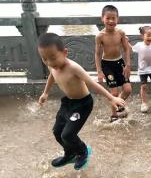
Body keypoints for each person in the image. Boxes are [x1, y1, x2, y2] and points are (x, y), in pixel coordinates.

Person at [38, 33, 126, 171]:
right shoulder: (52, 66)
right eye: (44, 59)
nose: (49, 62)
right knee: (57, 131)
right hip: (68, 103)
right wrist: (45, 92)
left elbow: (91, 83)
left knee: (67, 134)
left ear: (64, 53)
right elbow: (52, 76)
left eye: (53, 58)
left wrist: (111, 98)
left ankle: (83, 151)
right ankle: (70, 153)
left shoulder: (73, 67)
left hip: (82, 104)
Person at [95, 5, 133, 122]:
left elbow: (126, 49)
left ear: (117, 19)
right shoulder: (100, 36)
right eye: (108, 18)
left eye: (113, 18)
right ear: (102, 18)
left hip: (119, 63)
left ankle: (119, 105)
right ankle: (114, 114)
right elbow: (97, 54)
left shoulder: (120, 33)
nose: (111, 21)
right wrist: (99, 71)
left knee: (127, 89)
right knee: (114, 92)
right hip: (107, 65)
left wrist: (128, 65)